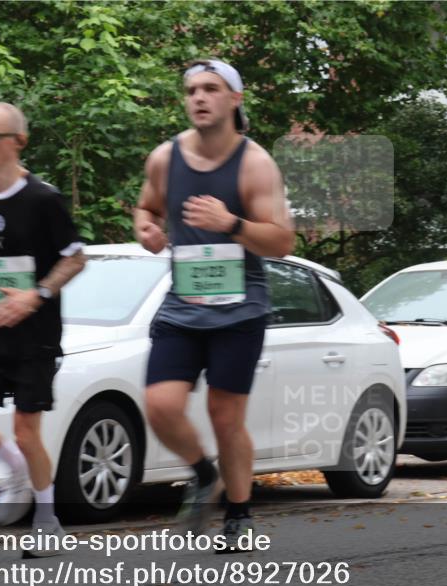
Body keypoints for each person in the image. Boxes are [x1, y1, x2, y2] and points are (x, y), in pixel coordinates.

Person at [134, 59, 294, 553]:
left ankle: (240, 516)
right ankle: (205, 476)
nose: (199, 98)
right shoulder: (165, 158)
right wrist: (147, 229)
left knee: (226, 417)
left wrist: (231, 224)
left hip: (239, 309)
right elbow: (146, 206)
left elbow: (282, 241)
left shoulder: (255, 164)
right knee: (159, 404)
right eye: (192, 90)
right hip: (183, 305)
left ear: (235, 99)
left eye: (211, 89)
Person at [0, 102, 86, 556]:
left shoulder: (43, 199)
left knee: (28, 432)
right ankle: (13, 473)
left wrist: (36, 295)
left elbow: (75, 258)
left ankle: (47, 521)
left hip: (36, 338)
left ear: (18, 142)